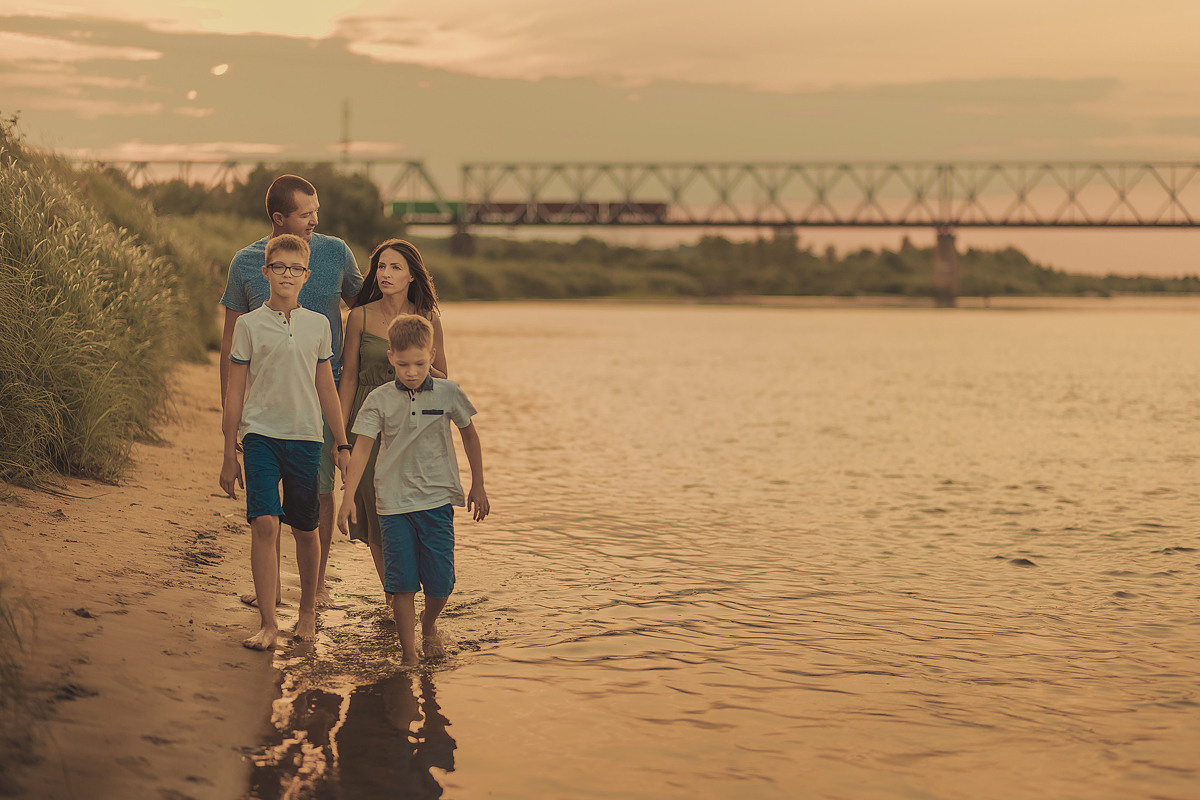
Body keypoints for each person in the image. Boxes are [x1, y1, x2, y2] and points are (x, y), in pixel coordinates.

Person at [220, 174, 362, 608]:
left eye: (316, 210)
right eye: (306, 213)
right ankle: (271, 590)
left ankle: (313, 589)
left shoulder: (335, 252)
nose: (315, 220)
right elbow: (230, 347)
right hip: (264, 400)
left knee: (318, 495)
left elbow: (366, 307)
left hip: (322, 396)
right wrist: (230, 418)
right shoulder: (246, 262)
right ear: (280, 219)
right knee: (266, 507)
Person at [337, 315, 488, 665]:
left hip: (437, 501)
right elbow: (361, 449)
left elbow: (469, 434)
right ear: (391, 358)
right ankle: (409, 656)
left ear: (432, 356)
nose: (411, 371)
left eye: (420, 363)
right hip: (391, 503)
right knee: (401, 584)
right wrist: (347, 499)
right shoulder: (379, 399)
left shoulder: (450, 393)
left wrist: (478, 484)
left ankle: (429, 622)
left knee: (440, 584)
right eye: (403, 364)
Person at [338, 239, 447, 588]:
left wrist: (413, 369)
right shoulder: (359, 316)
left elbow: (444, 378)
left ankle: (417, 586)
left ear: (412, 275)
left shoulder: (428, 319)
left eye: (395, 267)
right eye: (381, 267)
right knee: (374, 509)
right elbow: (350, 378)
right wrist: (341, 438)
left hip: (413, 426)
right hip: (368, 422)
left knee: (412, 507)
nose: (385, 274)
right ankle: (394, 594)